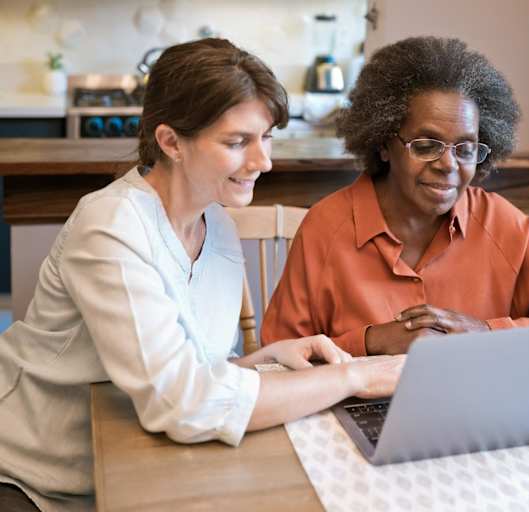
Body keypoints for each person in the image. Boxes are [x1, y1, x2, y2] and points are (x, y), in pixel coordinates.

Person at [0, 38, 403, 512]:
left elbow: (193, 372)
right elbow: (180, 403)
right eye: (237, 142)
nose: (263, 161)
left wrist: (266, 357)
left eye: (266, 137)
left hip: (127, 472)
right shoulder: (111, 226)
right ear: (171, 142)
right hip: (29, 478)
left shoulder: (219, 228)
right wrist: (354, 377)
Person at [261, 36, 529, 356]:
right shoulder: (326, 227)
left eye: (466, 149)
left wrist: (488, 334)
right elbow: (277, 358)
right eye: (426, 145)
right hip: (357, 410)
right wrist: (371, 342)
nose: (448, 165)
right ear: (383, 144)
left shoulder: (500, 223)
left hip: (476, 409)